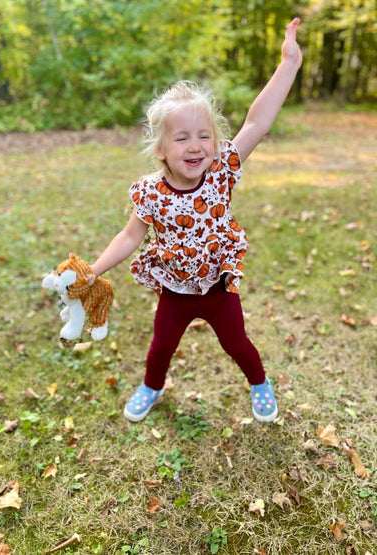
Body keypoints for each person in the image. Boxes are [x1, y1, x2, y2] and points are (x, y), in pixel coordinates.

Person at [90, 18, 303, 423]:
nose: (195, 146)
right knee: (160, 346)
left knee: (237, 342)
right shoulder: (150, 192)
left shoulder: (221, 171)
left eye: (204, 135)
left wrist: (288, 65)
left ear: (216, 140)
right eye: (182, 137)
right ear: (161, 150)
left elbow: (256, 123)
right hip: (175, 289)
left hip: (218, 287)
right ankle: (152, 387)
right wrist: (92, 271)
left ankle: (260, 383)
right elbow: (130, 235)